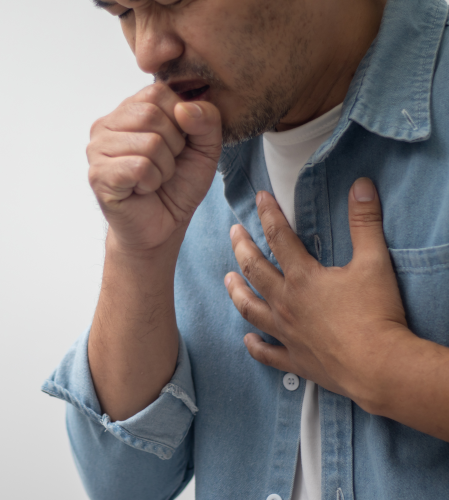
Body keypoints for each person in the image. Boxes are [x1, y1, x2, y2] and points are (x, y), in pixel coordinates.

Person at [42, 0, 449, 498]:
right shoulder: (173, 163)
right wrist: (137, 254)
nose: (148, 53)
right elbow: (124, 485)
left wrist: (388, 368)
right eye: (123, 12)